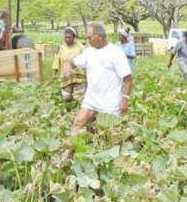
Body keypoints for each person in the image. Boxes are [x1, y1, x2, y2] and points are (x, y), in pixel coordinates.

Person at [62, 23, 132, 159]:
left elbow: (128, 78)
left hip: (110, 100)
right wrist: (68, 62)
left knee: (108, 135)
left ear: (99, 36)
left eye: (89, 37)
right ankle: (67, 154)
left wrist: (125, 99)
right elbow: (75, 61)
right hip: (92, 97)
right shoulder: (89, 51)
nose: (87, 41)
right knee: (78, 121)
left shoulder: (116, 53)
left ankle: (107, 160)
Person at [51, 27, 86, 101]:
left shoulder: (80, 47)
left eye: (69, 37)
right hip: (66, 77)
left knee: (78, 98)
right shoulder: (61, 48)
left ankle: (77, 111)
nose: (67, 39)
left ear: (74, 37)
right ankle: (68, 111)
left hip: (79, 77)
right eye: (66, 37)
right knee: (66, 98)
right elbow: (56, 61)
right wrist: (54, 75)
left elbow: (86, 60)